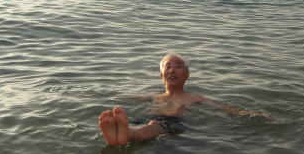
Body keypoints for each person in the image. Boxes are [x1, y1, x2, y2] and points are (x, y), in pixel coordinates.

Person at [98, 54, 271, 146]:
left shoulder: (195, 98)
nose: (172, 70)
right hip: (147, 120)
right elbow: (127, 98)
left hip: (173, 125)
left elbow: (227, 109)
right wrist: (108, 95)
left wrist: (249, 114)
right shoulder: (154, 96)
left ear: (187, 75)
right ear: (161, 76)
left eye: (178, 67)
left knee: (154, 126)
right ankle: (121, 133)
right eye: (168, 67)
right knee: (138, 122)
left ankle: (128, 133)